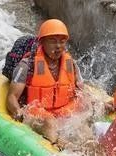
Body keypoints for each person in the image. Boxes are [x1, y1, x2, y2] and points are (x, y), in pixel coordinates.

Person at [6, 19, 84, 147]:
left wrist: (99, 104)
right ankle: (56, 149)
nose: (58, 46)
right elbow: (12, 97)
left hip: (64, 112)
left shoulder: (70, 64)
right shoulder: (27, 66)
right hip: (37, 113)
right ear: (42, 42)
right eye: (53, 41)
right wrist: (18, 113)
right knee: (49, 122)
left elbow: (81, 92)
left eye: (62, 41)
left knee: (83, 130)